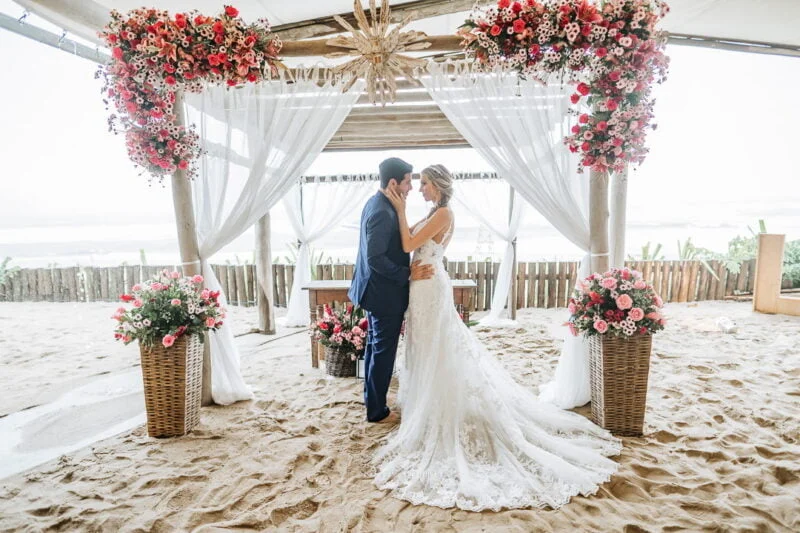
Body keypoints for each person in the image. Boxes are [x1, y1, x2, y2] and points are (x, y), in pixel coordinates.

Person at [375, 164, 622, 511]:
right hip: (423, 288)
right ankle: (429, 406)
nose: (421, 189)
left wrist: (400, 211)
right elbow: (411, 245)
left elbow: (407, 242)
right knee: (426, 348)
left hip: (430, 289)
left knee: (436, 349)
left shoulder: (444, 212)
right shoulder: (435, 211)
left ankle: (441, 409)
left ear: (440, 186)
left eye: (426, 184)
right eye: (420, 184)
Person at [348, 157, 433, 423]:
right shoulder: (382, 212)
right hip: (383, 295)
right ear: (394, 182)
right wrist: (408, 273)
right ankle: (376, 412)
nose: (411, 187)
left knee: (375, 348)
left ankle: (371, 401)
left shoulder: (378, 203)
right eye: (408, 181)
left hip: (373, 291)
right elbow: (375, 259)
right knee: (382, 354)